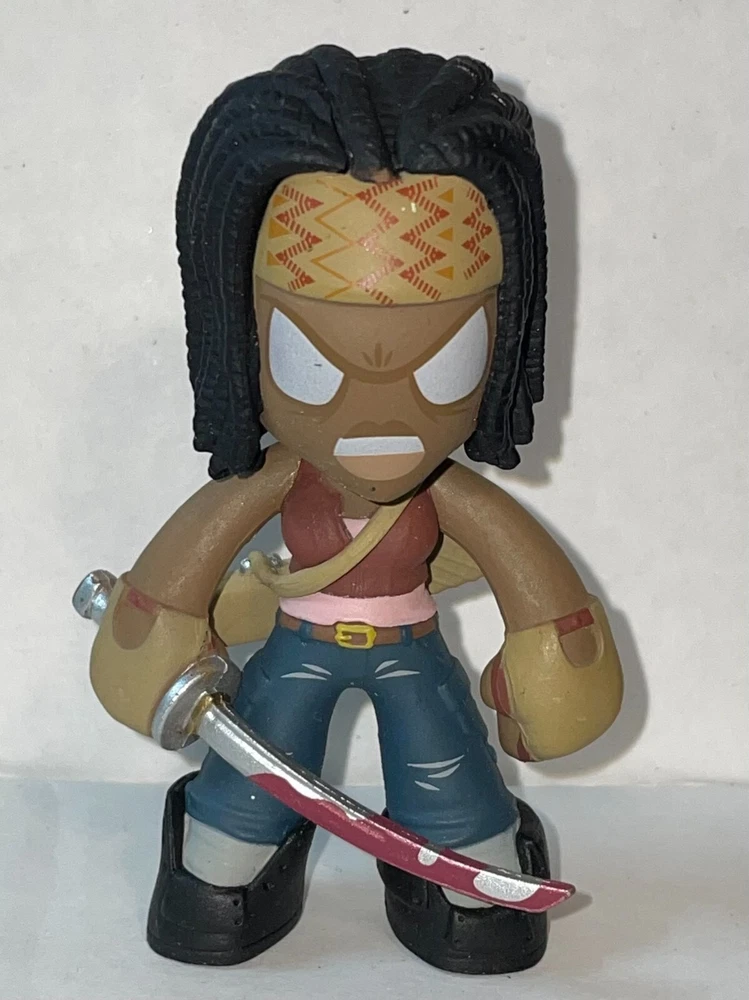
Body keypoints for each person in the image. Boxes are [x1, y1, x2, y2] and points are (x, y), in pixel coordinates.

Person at [89, 45, 623, 974]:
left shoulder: (443, 493)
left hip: (410, 646)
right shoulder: (273, 479)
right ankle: (230, 850)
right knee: (253, 778)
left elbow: (524, 569)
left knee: (446, 770)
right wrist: (153, 625)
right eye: (308, 361)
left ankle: (462, 858)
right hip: (296, 643)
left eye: (449, 362)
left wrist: (556, 653)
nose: (380, 416)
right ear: (239, 335)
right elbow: (189, 555)